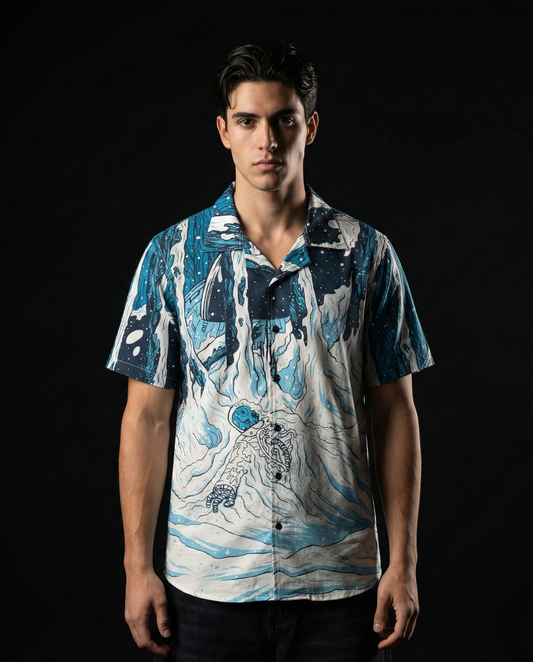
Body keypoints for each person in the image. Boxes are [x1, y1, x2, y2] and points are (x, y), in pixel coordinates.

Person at [107, 38, 434, 661]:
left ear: (310, 127)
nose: (268, 141)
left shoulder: (367, 255)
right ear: (224, 131)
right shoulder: (173, 256)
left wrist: (405, 563)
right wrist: (136, 567)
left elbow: (396, 412)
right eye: (248, 121)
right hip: (207, 585)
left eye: (284, 120)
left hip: (342, 585)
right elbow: (145, 417)